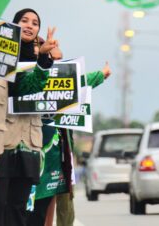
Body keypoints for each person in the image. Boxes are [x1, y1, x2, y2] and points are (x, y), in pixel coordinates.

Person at [0, 8, 60, 226]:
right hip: (2, 143)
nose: (29, 25)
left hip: (29, 143)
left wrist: (45, 58)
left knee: (19, 208)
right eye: (24, 20)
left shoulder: (43, 61)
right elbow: (20, 87)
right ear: (14, 25)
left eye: (35, 23)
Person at [27, 63, 111, 226]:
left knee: (59, 205)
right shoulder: (27, 77)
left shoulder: (62, 81)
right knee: (34, 206)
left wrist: (101, 75)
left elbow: (81, 82)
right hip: (33, 155)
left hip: (60, 159)